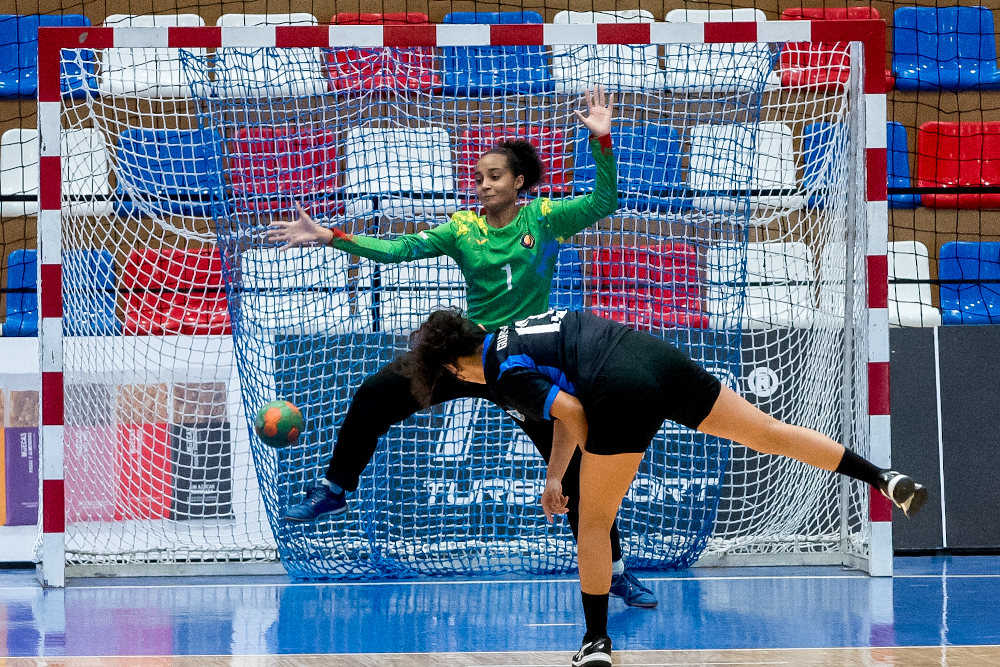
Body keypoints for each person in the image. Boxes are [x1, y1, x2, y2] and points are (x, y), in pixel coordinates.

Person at [267, 86, 657, 607]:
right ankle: (336, 488)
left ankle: (615, 571)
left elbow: (605, 202)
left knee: (580, 478)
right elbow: (401, 249)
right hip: (469, 352)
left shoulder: (544, 219)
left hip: (524, 358)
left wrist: (601, 141)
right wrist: (335, 237)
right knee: (376, 394)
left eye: (493, 176)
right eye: (476, 177)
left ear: (519, 182)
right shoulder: (462, 228)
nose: (481, 185)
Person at [401, 307, 928, 667]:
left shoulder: (500, 372)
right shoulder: (516, 329)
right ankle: (882, 477)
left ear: (454, 365)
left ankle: (595, 640)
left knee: (593, 521)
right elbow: (562, 403)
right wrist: (556, 475)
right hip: (650, 354)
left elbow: (573, 412)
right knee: (767, 433)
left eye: (453, 375)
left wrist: (592, 469)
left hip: (616, 387)